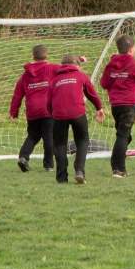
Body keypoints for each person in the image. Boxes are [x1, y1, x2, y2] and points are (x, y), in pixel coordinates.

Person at [49, 53, 103, 185]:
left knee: (60, 144)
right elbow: (91, 93)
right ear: (78, 66)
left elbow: (48, 101)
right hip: (78, 113)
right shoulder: (80, 75)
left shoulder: (55, 80)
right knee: (82, 140)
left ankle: (62, 177)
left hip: (59, 115)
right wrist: (99, 108)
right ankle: (79, 171)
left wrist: (53, 114)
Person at [102, 36, 135, 178]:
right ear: (131, 49)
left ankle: (117, 161)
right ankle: (119, 169)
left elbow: (104, 83)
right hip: (129, 104)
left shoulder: (110, 65)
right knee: (123, 135)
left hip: (115, 105)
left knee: (124, 135)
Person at [9, 44, 58, 172]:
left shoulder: (25, 75)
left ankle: (23, 157)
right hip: (47, 109)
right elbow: (67, 68)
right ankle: (49, 165)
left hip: (32, 111)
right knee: (48, 136)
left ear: (33, 56)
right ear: (46, 56)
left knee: (33, 135)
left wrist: (13, 111)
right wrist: (79, 60)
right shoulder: (52, 68)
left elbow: (17, 95)